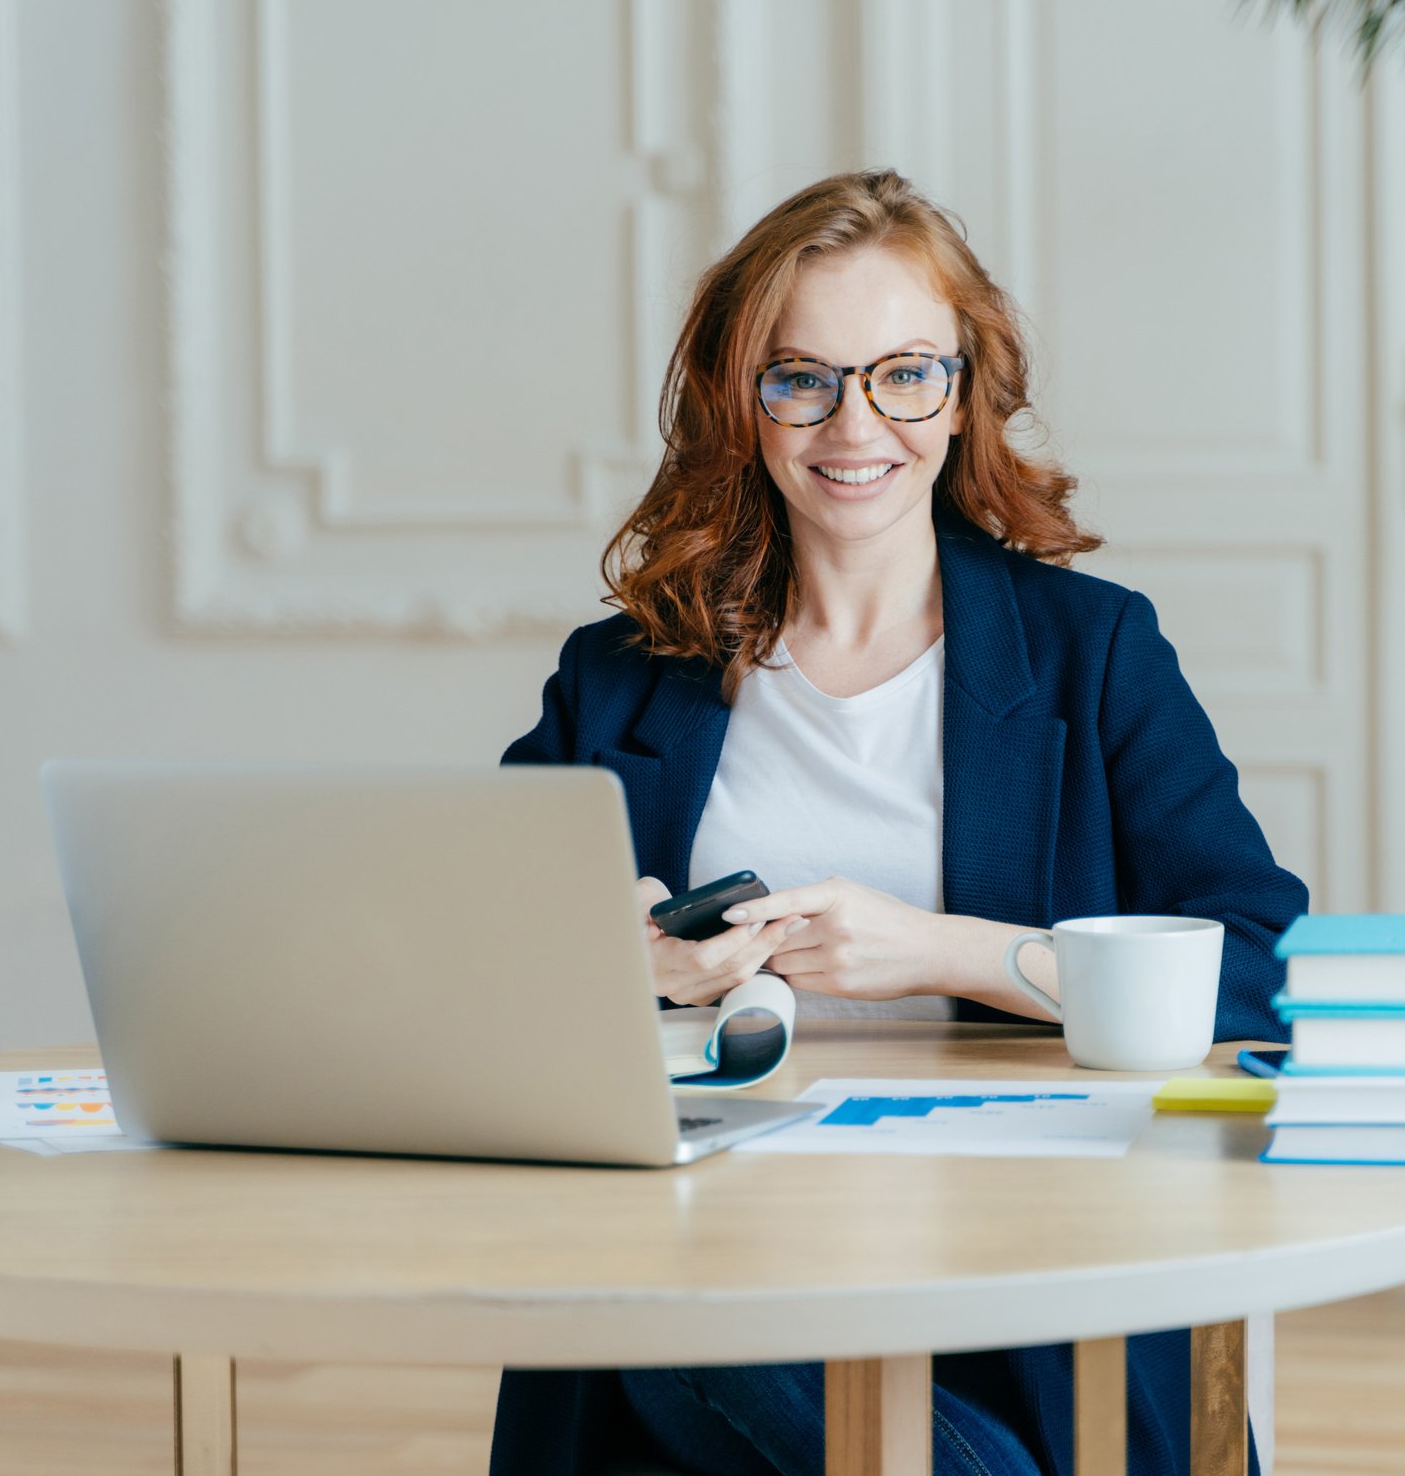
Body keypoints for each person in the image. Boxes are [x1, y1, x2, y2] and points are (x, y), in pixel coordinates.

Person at [492, 169, 1303, 1475]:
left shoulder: (1090, 651)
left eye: (902, 374)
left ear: (963, 388)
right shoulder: (623, 672)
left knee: (713, 1338)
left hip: (1015, 1248)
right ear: (738, 401)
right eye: (798, 376)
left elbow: (1253, 955)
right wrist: (623, 961)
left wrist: (942, 951)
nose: (851, 420)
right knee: (665, 1300)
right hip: (710, 1230)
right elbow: (480, 939)